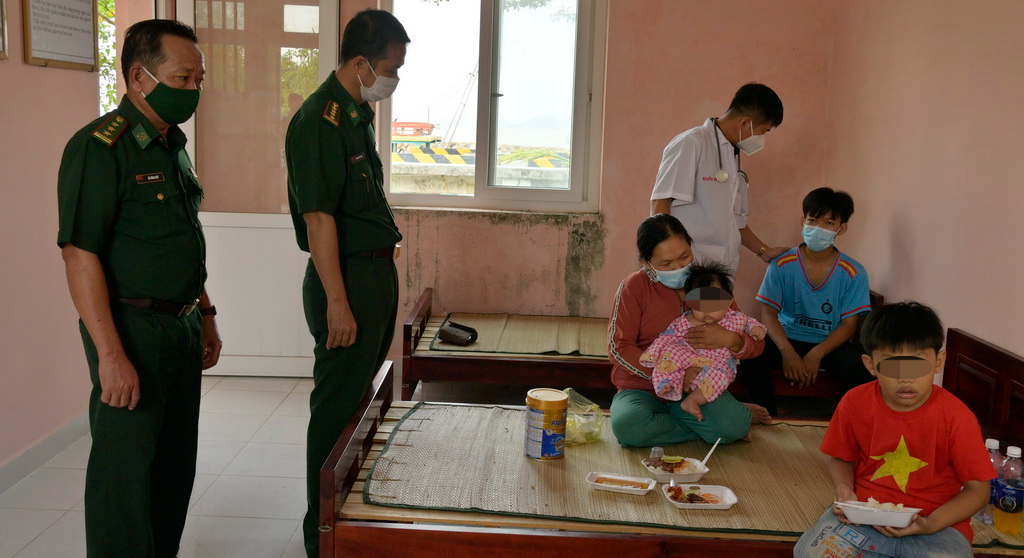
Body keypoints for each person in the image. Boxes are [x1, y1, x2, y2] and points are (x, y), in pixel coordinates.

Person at [56, 19, 221, 557]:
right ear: (138, 77)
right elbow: (79, 253)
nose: (193, 90)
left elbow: (179, 239)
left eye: (199, 79)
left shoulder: (172, 146)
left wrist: (207, 312)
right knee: (124, 478)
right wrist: (109, 354)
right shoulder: (101, 148)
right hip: (131, 331)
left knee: (173, 470)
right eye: (182, 78)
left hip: (181, 326)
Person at [283, 9, 410, 558]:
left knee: (360, 403)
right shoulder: (319, 121)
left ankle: (349, 519)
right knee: (337, 409)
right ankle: (322, 534)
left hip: (373, 273)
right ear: (361, 63)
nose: (395, 79)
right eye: (390, 67)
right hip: (348, 281)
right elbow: (319, 220)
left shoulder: (356, 113)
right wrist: (338, 301)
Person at [793, 302, 994, 558]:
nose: (905, 377)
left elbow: (978, 491)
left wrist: (930, 524)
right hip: (864, 516)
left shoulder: (957, 417)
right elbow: (841, 458)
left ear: (938, 361)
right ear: (870, 365)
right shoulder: (854, 402)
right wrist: (845, 491)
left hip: (938, 525)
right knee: (812, 553)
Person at [608, 214, 770, 447]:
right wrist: (673, 372)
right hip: (642, 388)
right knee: (629, 428)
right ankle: (713, 424)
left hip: (697, 389)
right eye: (666, 264)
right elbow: (619, 348)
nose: (679, 267)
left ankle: (722, 421)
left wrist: (732, 340)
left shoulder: (710, 282)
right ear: (647, 263)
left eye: (685, 257)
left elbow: (754, 340)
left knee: (732, 426)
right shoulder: (633, 287)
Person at [739, 188, 873, 416]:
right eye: (813, 220)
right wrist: (787, 351)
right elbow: (769, 314)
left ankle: (842, 425)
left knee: (860, 368)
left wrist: (816, 354)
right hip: (786, 336)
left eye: (828, 223)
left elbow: (849, 326)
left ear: (841, 228)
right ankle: (766, 417)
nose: (818, 228)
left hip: (829, 343)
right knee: (751, 356)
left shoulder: (853, 272)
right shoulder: (782, 263)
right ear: (803, 221)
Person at [650, 82, 787, 274]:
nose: (762, 139)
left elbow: (733, 221)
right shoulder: (691, 143)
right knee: (695, 305)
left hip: (720, 271)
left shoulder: (731, 155)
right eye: (764, 131)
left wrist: (764, 251)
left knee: (719, 305)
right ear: (745, 123)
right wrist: (666, 266)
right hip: (688, 268)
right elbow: (660, 204)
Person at [641, 261, 767, 422]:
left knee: (720, 376)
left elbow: (750, 324)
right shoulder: (685, 321)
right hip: (687, 362)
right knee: (670, 352)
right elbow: (666, 337)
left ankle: (694, 401)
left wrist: (756, 329)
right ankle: (667, 383)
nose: (707, 311)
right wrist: (652, 353)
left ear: (728, 302)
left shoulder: (734, 318)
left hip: (715, 365)